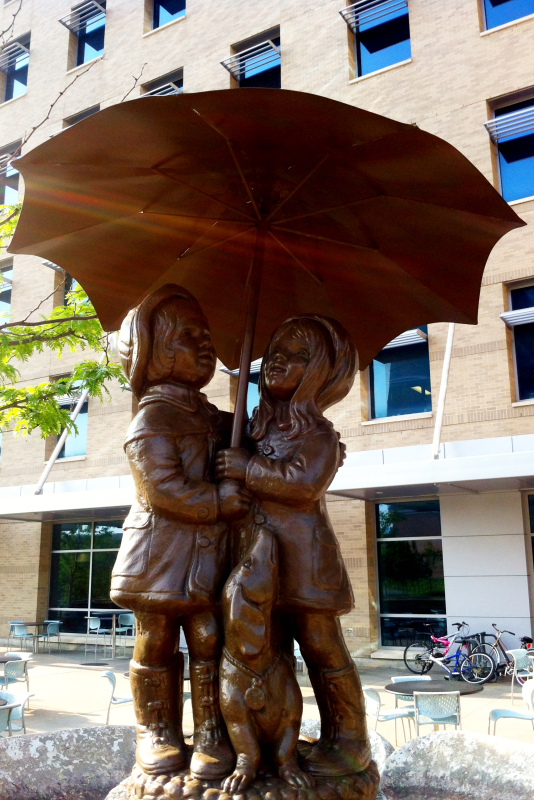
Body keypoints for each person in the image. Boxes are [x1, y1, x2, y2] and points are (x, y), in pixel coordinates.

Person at [216, 315, 372, 777]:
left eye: (299, 354)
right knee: (267, 650)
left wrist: (247, 469)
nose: (279, 358)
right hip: (257, 558)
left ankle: (349, 738)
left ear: (322, 372)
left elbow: (302, 485)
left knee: (322, 647)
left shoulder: (318, 434)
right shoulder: (252, 429)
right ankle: (265, 739)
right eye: (275, 350)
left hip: (305, 560)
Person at [111, 284, 250, 779]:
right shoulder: (153, 416)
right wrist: (216, 500)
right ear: (156, 353)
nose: (205, 343)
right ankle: (158, 728)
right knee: (156, 638)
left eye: (206, 333)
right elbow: (162, 488)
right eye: (189, 335)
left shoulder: (210, 416)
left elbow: (243, 441)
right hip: (161, 554)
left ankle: (212, 729)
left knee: (209, 636)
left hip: (207, 554)